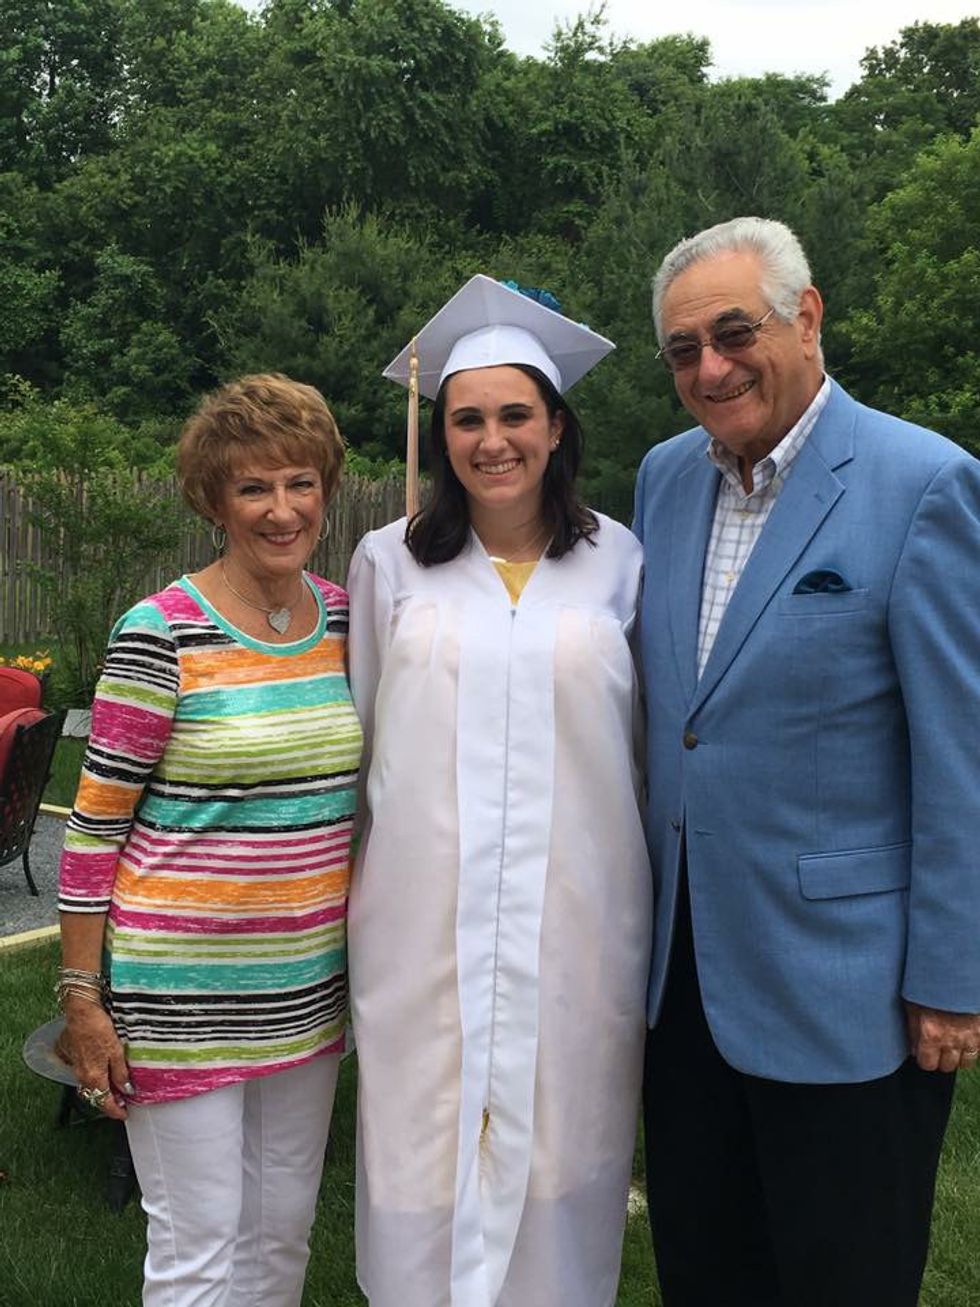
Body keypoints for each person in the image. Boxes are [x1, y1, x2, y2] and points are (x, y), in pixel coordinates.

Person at [633, 215, 980, 1307]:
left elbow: (961, 757)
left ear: (807, 316)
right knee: (705, 1271)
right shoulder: (663, 480)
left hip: (848, 991)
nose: (711, 368)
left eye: (734, 333)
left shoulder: (924, 483)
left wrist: (951, 980)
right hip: (682, 984)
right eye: (683, 349)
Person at [347, 275, 652, 1307]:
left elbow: (644, 746)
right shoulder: (391, 563)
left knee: (568, 1138)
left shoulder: (619, 559)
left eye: (515, 414)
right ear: (441, 437)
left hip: (579, 917)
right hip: (421, 923)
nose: (492, 440)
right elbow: (363, 741)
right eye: (466, 419)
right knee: (420, 1141)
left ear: (556, 427)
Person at [57, 373, 362, 1307]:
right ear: (213, 500)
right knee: (197, 1253)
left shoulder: (347, 620)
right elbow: (94, 826)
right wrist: (82, 998)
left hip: (306, 994)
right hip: (181, 997)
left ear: (326, 488)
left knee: (281, 1238)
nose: (282, 509)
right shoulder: (161, 633)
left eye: (300, 482)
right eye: (253, 487)